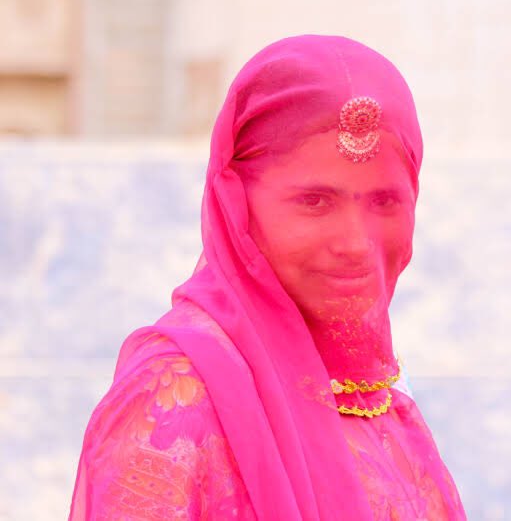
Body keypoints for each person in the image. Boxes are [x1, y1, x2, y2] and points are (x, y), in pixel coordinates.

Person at [68, 34, 467, 520]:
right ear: (238, 205)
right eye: (315, 201)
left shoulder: (373, 395)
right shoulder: (174, 401)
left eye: (385, 201)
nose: (356, 243)